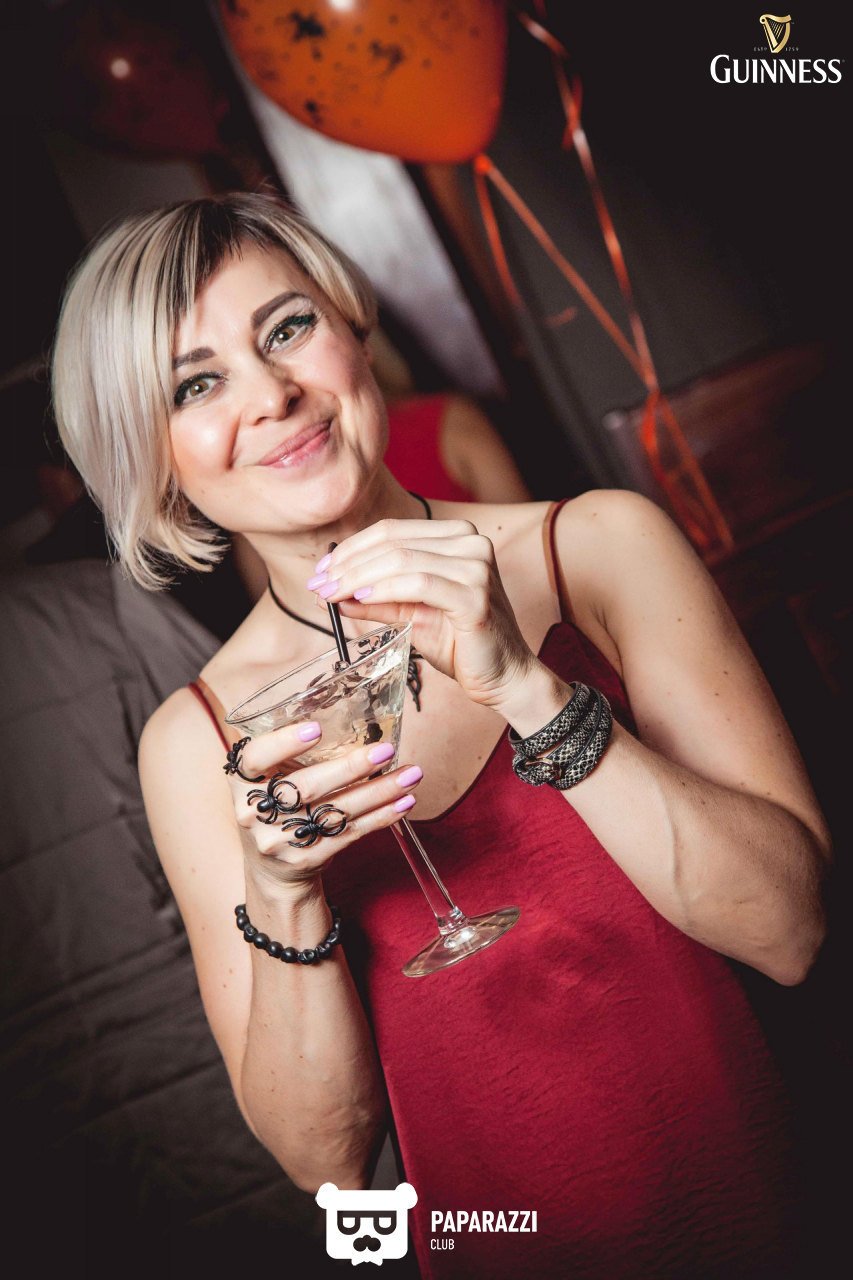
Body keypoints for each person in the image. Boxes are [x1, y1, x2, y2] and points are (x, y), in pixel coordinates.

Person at [51, 192, 830, 1280]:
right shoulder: (199, 743)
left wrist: (527, 687)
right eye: (196, 383)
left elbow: (790, 932)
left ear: (353, 329)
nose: (271, 395)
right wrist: (281, 892)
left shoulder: (597, 549)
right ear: (156, 456)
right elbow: (326, 1161)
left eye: (286, 328)